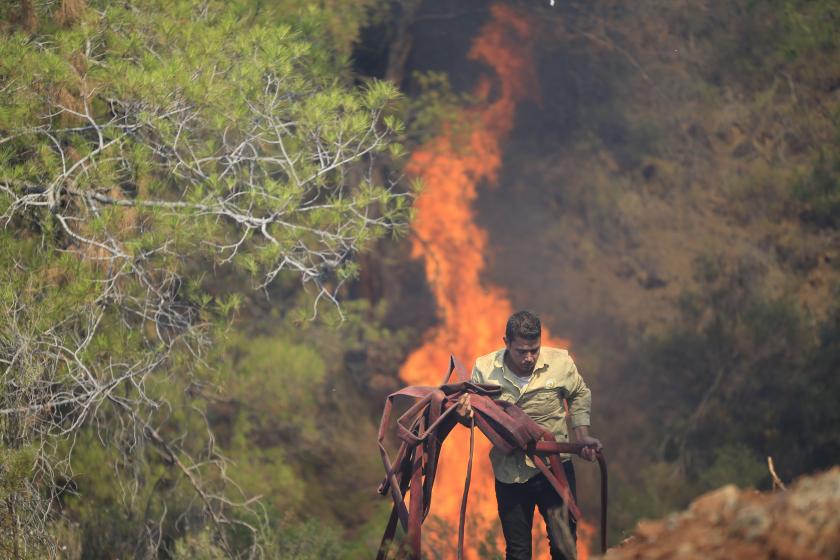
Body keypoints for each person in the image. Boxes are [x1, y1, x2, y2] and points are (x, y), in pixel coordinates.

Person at [457, 310, 602, 560]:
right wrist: (463, 413)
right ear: (506, 343)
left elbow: (579, 393)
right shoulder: (484, 370)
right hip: (509, 474)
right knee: (518, 552)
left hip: (555, 472)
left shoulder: (561, 363)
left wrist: (582, 435)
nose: (529, 357)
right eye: (521, 351)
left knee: (563, 547)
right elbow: (472, 418)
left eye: (534, 349)